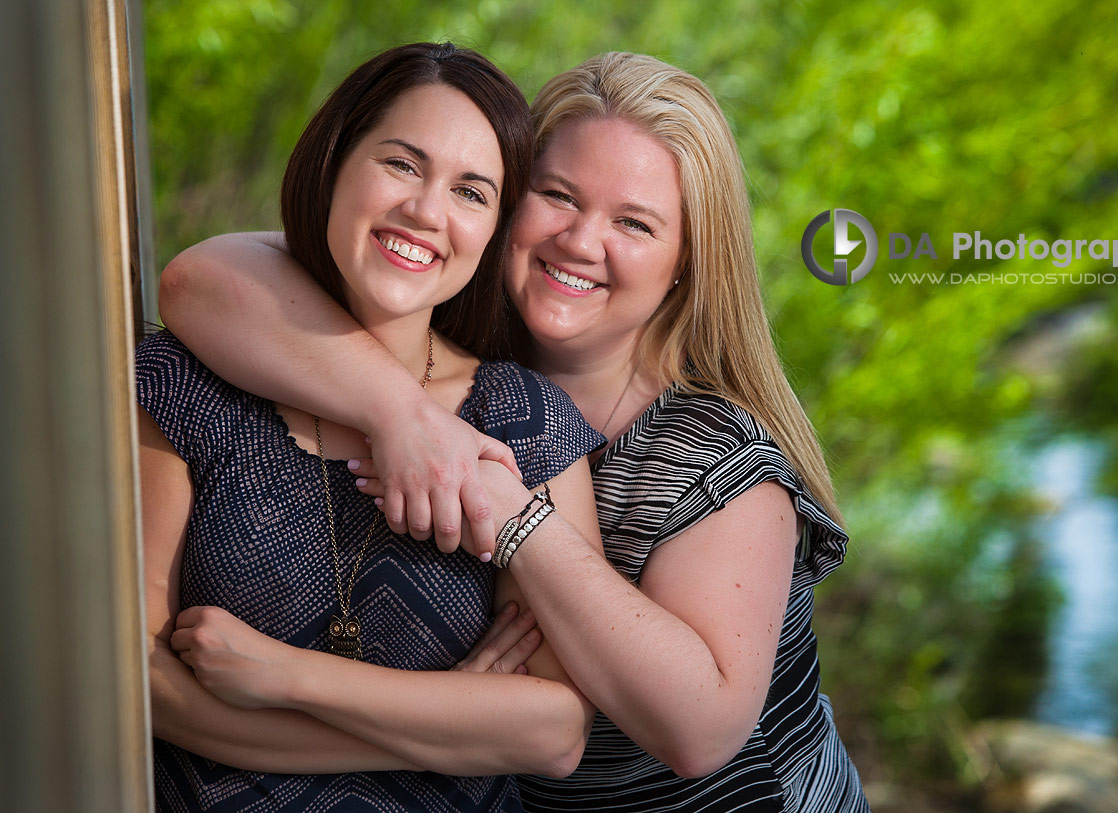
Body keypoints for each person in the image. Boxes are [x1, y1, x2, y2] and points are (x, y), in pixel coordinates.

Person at [161, 52, 869, 812]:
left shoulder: (716, 457)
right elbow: (205, 280)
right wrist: (401, 413)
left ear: (684, 262)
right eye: (557, 196)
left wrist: (514, 517)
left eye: (633, 223)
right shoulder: (464, 352)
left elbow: (699, 730)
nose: (580, 240)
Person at [139, 42, 606, 813]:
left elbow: (553, 729)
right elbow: (137, 676)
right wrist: (450, 717)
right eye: (401, 164)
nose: (426, 211)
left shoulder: (522, 422)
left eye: (472, 192)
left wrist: (284, 677)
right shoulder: (186, 378)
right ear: (334, 163)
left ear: (494, 230)